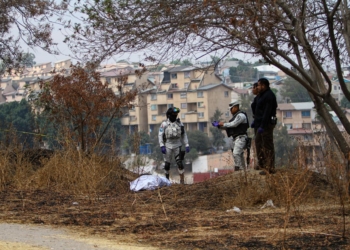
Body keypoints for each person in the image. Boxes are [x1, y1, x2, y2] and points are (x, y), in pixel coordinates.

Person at [212, 101, 249, 171]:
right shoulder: (235, 117)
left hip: (241, 138)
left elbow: (233, 124)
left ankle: (239, 168)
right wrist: (219, 126)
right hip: (236, 139)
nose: (230, 111)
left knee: (236, 153)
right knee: (239, 155)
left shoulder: (240, 116)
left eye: (231, 109)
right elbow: (229, 126)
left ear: (235, 107)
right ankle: (243, 170)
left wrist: (223, 124)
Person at [158, 107, 190, 184]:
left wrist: (187, 144)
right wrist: (162, 145)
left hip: (177, 145)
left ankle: (182, 180)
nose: (175, 116)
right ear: (169, 115)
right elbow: (160, 135)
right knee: (167, 164)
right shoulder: (164, 124)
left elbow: (184, 134)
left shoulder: (180, 124)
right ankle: (167, 180)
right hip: (168, 145)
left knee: (180, 163)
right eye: (173, 114)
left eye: (176, 114)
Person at [254, 78, 278, 175]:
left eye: (259, 85)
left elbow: (267, 113)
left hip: (267, 124)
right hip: (260, 123)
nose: (257, 87)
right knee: (259, 143)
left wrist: (262, 126)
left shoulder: (269, 96)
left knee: (267, 145)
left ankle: (270, 167)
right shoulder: (261, 95)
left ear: (264, 85)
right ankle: (262, 164)